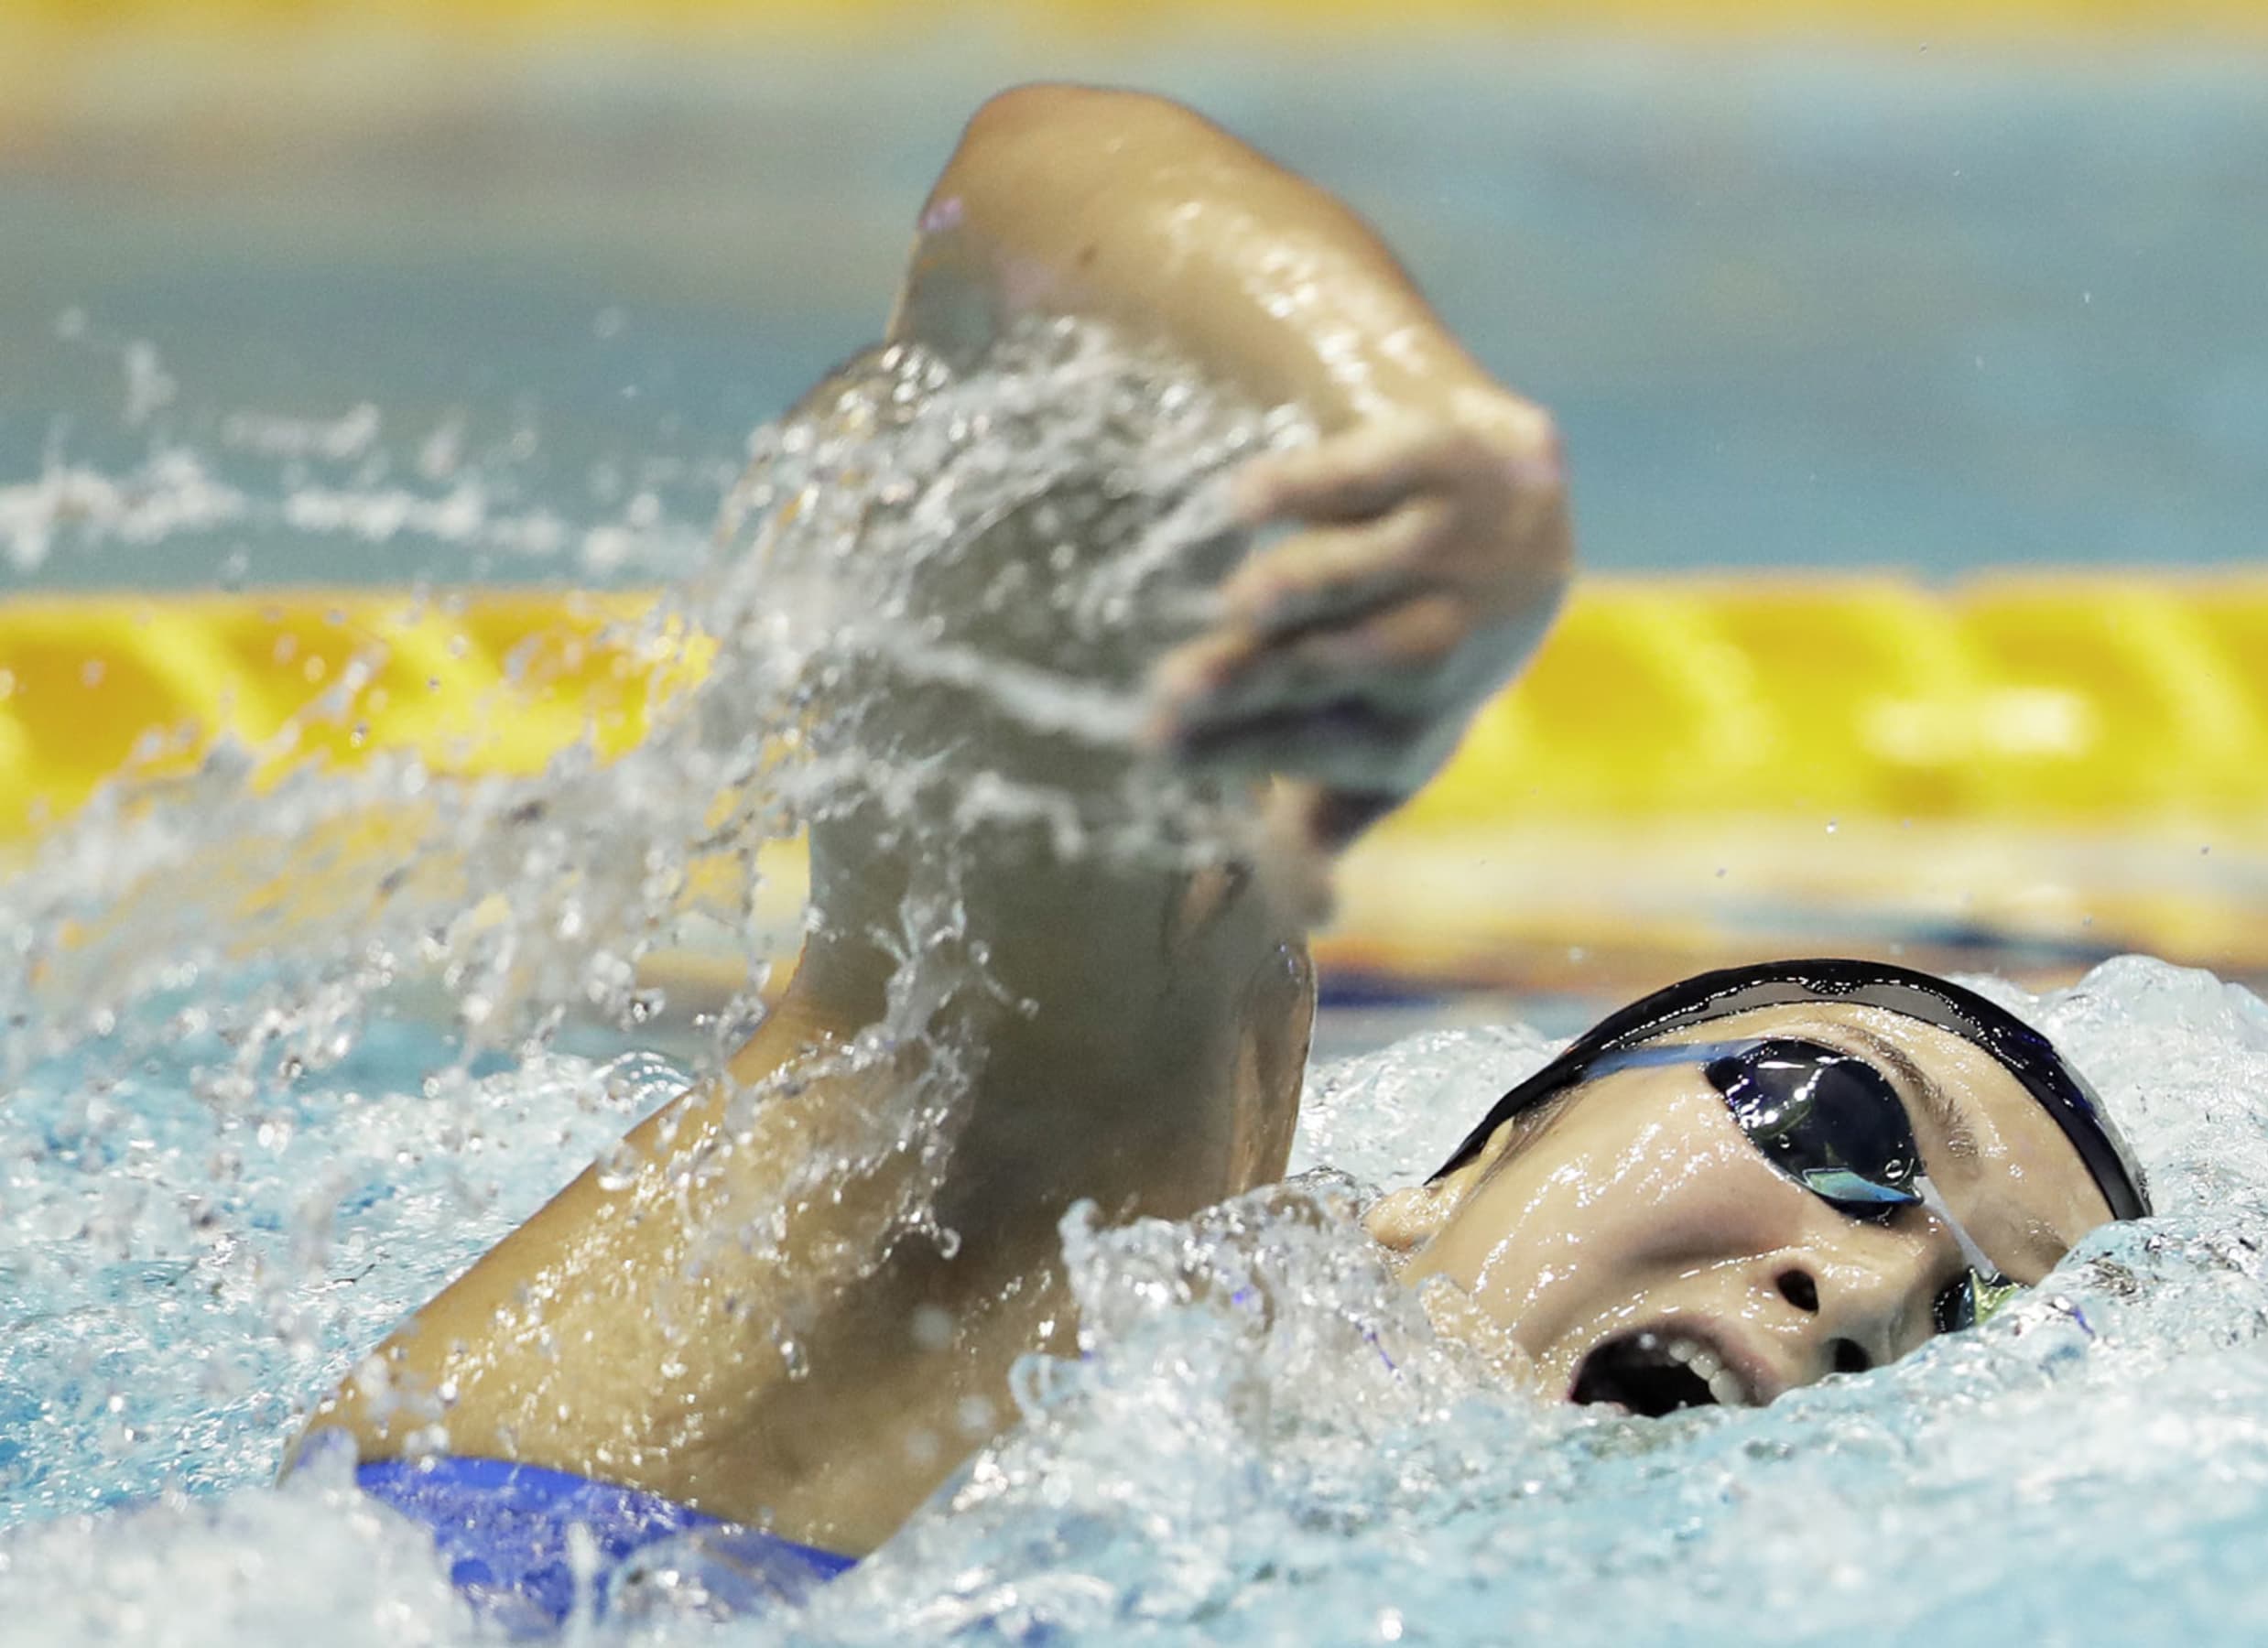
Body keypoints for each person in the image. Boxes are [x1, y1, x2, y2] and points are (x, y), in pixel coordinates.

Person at [294, 84, 2147, 1628]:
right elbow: (1018, 228)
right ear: (1460, 1165)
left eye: (1980, 1327)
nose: (1885, 1293)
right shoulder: (1077, 1225)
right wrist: (1380, 416)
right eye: (1839, 1130)